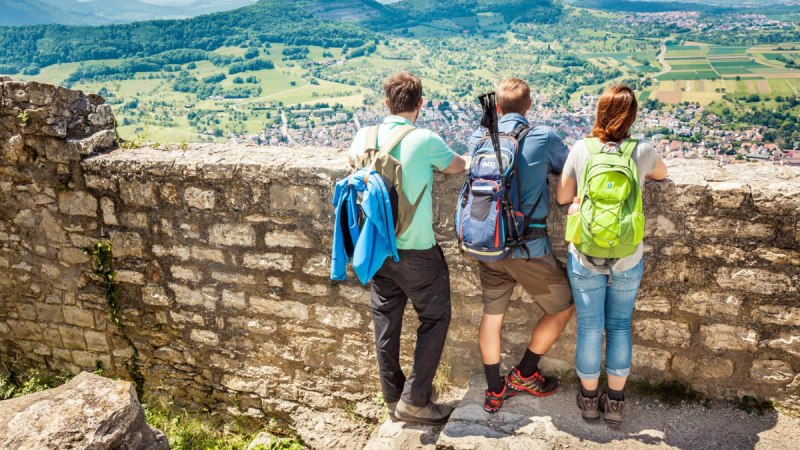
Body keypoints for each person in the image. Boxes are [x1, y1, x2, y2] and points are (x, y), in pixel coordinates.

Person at [348, 71, 468, 425]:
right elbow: (458, 166)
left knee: (385, 321)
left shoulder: (363, 136)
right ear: (420, 104)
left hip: (377, 249)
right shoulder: (425, 139)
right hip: (416, 252)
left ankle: (392, 397)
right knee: (435, 317)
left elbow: (352, 166)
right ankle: (415, 400)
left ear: (386, 103)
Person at [556, 85, 668, 426]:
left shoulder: (581, 148)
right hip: (627, 254)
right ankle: (616, 403)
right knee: (619, 325)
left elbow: (563, 196)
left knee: (590, 327)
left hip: (587, 252)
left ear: (599, 114)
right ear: (631, 116)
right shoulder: (643, 150)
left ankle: (589, 401)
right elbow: (662, 175)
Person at [468, 78, 574, 413]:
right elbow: (568, 169)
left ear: (496, 108)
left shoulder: (478, 137)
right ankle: (524, 374)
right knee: (562, 306)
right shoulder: (542, 136)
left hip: (489, 246)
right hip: (529, 250)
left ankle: (494, 389)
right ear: (528, 106)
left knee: (492, 316)